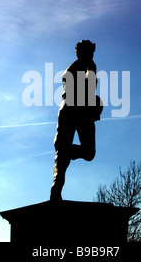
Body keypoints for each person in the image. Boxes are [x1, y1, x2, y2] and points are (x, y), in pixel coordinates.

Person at [50, 40, 103, 201]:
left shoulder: (81, 67)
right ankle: (57, 186)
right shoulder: (81, 67)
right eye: (88, 53)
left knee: (82, 153)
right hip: (77, 109)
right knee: (86, 153)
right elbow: (87, 88)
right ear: (81, 53)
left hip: (72, 108)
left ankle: (66, 154)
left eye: (91, 53)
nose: (90, 56)